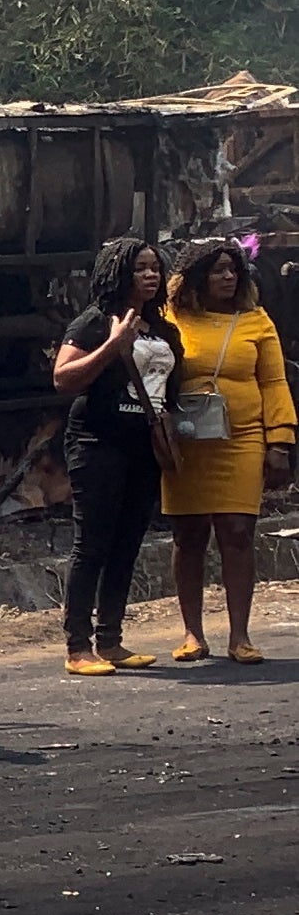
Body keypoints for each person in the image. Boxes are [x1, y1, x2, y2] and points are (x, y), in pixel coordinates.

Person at [157, 236, 293, 664]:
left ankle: (240, 635)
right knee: (189, 534)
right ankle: (192, 634)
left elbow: (274, 382)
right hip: (187, 443)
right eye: (218, 269)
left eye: (233, 268)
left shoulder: (257, 321)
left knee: (237, 531)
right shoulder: (169, 319)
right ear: (195, 277)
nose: (229, 276)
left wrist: (281, 441)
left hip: (243, 439)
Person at [50, 239, 177, 675]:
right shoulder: (94, 322)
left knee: (127, 544)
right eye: (140, 268)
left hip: (144, 447)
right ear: (118, 273)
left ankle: (111, 641)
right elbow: (63, 378)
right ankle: (77, 647)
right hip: (97, 443)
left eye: (155, 268)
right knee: (92, 545)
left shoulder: (164, 329)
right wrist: (114, 344)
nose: (150, 275)